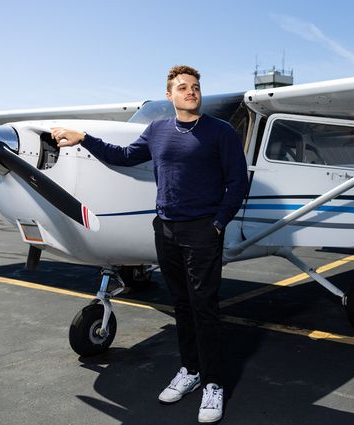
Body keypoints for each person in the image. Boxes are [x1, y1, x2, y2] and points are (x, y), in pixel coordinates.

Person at [51, 65, 248, 423]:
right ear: (169, 95)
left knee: (204, 307)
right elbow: (123, 156)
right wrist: (84, 138)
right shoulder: (157, 130)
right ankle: (190, 371)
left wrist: (218, 224)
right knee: (182, 305)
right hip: (166, 230)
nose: (191, 92)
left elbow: (237, 182)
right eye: (183, 87)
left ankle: (214, 384)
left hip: (203, 231)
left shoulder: (220, 132)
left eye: (196, 87)